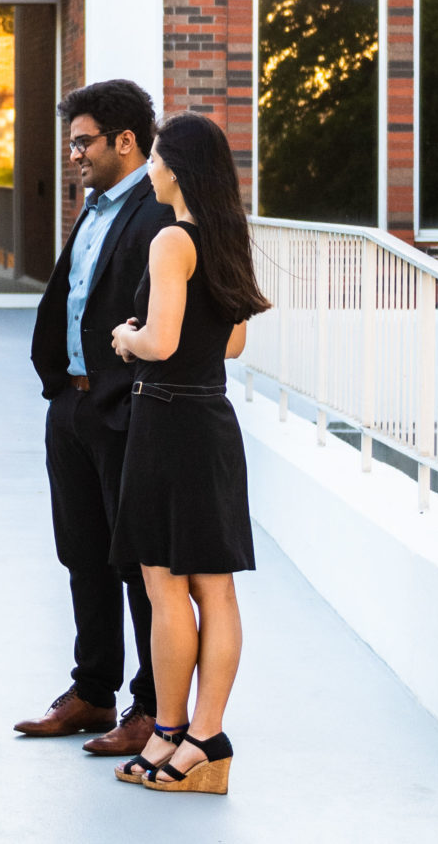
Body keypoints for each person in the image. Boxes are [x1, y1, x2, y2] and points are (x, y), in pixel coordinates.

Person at [105, 112, 268, 795]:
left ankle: (170, 731)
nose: (151, 168)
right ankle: (207, 738)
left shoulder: (172, 240)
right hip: (211, 417)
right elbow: (230, 346)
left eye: (158, 157)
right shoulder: (228, 236)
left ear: (175, 167)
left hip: (167, 418)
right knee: (215, 587)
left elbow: (162, 343)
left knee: (164, 585)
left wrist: (126, 335)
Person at [16, 79, 177, 757]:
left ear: (125, 142)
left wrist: (126, 390)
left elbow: (163, 317)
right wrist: (62, 388)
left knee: (136, 564)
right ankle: (93, 691)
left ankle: (149, 705)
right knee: (81, 553)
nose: (74, 154)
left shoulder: (156, 214)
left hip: (124, 408)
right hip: (73, 405)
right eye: (72, 142)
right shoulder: (94, 208)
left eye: (84, 142)